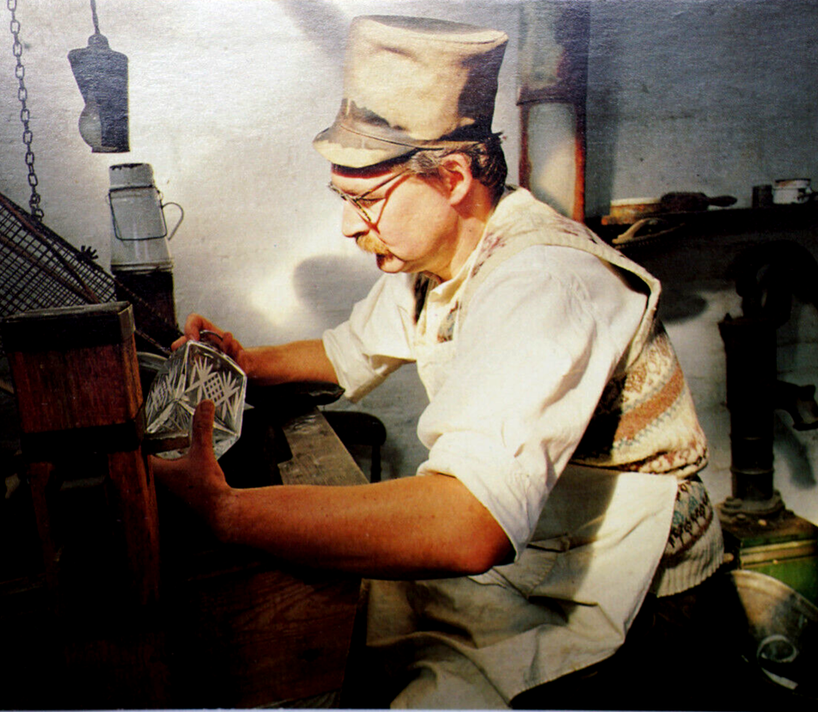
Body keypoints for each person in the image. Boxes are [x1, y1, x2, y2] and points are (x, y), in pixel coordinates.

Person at [151, 15, 724, 709]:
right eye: (343, 198)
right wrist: (245, 360)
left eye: (365, 200)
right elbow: (346, 352)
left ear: (452, 177)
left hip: (633, 587)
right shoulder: (435, 260)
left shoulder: (542, 282)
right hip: (545, 547)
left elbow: (466, 525)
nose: (348, 224)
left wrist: (226, 513)